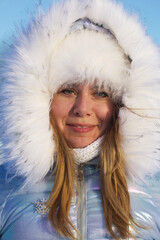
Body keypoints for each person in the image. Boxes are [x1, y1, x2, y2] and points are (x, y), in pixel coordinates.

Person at [0, 0, 160, 239]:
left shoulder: (154, 188)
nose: (83, 108)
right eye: (67, 90)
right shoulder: (6, 188)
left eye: (101, 92)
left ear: (121, 105)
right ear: (39, 97)